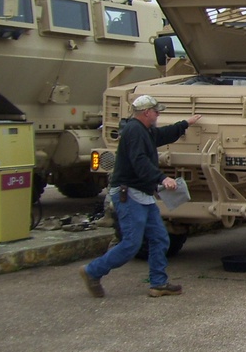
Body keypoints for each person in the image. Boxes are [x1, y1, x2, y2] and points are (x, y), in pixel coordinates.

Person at [79, 95, 201, 298]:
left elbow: (162, 135)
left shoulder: (145, 130)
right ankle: (92, 271)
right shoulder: (134, 131)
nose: (158, 114)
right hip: (130, 195)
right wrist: (162, 179)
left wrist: (185, 123)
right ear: (146, 113)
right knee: (131, 244)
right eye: (156, 111)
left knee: (160, 239)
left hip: (142, 195)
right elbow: (140, 161)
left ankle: (158, 283)